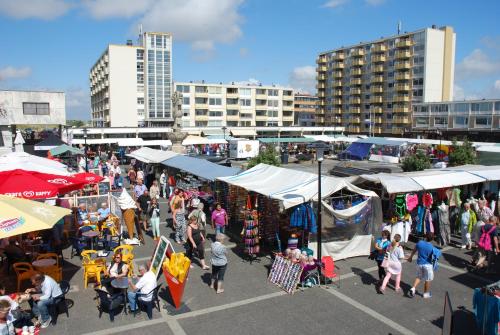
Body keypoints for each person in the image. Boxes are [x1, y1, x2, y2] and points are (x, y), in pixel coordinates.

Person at [407, 232, 435, 299]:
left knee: (419, 276)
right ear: (432, 239)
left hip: (419, 263)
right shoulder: (431, 247)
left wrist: (410, 257)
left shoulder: (420, 243)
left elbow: (414, 250)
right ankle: (425, 294)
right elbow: (433, 257)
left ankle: (413, 288)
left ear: (425, 236)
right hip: (427, 265)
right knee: (427, 280)